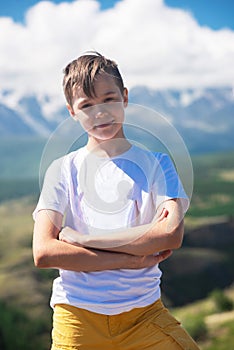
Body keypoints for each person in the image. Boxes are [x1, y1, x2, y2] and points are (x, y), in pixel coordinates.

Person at [33, 51, 200, 349]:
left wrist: (80, 239)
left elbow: (170, 235)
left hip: (144, 316)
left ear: (124, 97)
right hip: (77, 319)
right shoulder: (62, 170)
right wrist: (131, 259)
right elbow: (44, 252)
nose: (100, 113)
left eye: (109, 99)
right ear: (72, 111)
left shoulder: (157, 164)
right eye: (86, 106)